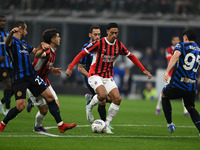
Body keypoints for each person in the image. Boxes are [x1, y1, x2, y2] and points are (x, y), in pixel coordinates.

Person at [66, 23, 152, 134]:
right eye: (112, 33)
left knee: (117, 99)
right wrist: (70, 67)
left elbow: (131, 56)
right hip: (94, 75)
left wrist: (143, 69)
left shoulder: (118, 45)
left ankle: (106, 124)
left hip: (107, 77)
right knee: (102, 96)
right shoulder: (98, 43)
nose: (114, 35)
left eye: (116, 33)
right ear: (107, 32)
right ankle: (90, 105)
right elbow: (82, 54)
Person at [0, 21, 77, 132]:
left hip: (31, 76)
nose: (26, 32)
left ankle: (61, 125)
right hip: (20, 78)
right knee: (20, 106)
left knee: (50, 98)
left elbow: (36, 52)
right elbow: (7, 43)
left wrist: (42, 45)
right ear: (20, 29)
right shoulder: (12, 41)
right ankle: (2, 124)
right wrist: (11, 33)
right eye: (25, 30)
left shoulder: (24, 43)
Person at [162, 29, 200, 136]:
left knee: (164, 94)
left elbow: (176, 56)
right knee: (190, 107)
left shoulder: (181, 45)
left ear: (186, 38)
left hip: (178, 83)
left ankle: (170, 123)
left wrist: (167, 71)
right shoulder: (198, 50)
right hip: (191, 86)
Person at [26, 29, 63, 133]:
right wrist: (41, 50)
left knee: (56, 106)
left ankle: (33, 102)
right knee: (44, 109)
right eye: (58, 36)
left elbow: (44, 64)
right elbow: (38, 55)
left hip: (45, 81)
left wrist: (52, 69)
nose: (60, 38)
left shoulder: (53, 51)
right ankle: (37, 126)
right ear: (52, 39)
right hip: (35, 82)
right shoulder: (46, 51)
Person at [77, 25, 111, 124]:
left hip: (102, 77)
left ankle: (90, 99)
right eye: (95, 34)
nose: (97, 36)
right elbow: (80, 68)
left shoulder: (103, 46)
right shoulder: (86, 48)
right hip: (91, 77)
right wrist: (91, 76)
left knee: (112, 99)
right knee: (103, 99)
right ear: (90, 35)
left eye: (99, 34)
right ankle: (105, 124)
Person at [156, 35, 189, 116]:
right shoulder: (168, 49)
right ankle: (158, 107)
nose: (176, 41)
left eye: (178, 40)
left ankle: (186, 111)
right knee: (164, 91)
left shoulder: (182, 48)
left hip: (180, 74)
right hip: (170, 74)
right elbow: (170, 59)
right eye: (174, 40)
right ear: (172, 41)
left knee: (184, 91)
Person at [0, 15, 13, 116]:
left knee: (12, 86)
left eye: (4, 21)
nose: (2, 23)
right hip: (1, 65)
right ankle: (8, 109)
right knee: (8, 84)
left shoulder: (8, 34)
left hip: (10, 65)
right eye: (0, 21)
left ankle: (1, 103)